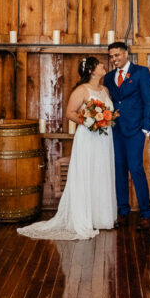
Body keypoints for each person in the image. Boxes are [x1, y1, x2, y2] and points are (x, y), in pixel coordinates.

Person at [17, 56, 117, 240]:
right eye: (100, 64)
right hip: (88, 137)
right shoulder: (81, 90)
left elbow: (109, 112)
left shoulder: (105, 89)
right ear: (91, 71)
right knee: (86, 173)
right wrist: (89, 121)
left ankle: (101, 217)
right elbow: (70, 113)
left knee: (101, 172)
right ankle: (83, 217)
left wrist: (106, 119)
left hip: (104, 139)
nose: (104, 66)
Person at [104, 41, 150, 230]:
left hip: (135, 130)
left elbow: (149, 100)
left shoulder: (141, 72)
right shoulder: (109, 77)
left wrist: (146, 128)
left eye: (116, 55)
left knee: (136, 169)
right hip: (115, 130)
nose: (113, 59)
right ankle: (123, 212)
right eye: (111, 56)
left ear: (126, 53)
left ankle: (146, 214)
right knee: (119, 171)